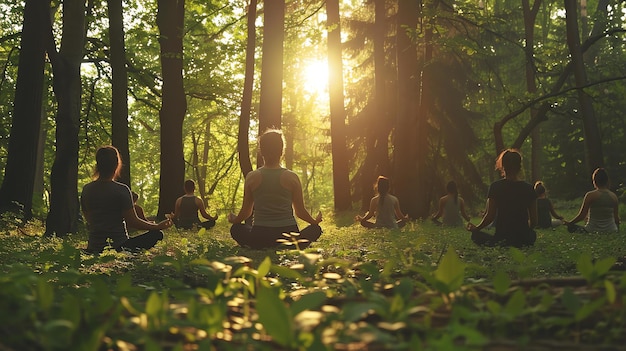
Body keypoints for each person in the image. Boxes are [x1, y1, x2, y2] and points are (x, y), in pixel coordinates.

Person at [227, 129, 322, 249]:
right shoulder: (292, 177)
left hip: (260, 235)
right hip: (288, 235)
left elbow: (247, 212)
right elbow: (300, 212)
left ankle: (259, 245)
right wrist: (314, 222)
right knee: (315, 230)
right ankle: (290, 246)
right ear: (281, 151)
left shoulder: (252, 177)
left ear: (261, 151)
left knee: (236, 229)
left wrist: (235, 220)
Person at [80, 145, 172, 254]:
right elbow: (133, 221)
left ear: (98, 165)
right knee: (157, 234)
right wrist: (157, 226)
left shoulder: (87, 189)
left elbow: (89, 220)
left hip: (94, 246)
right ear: (116, 165)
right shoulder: (121, 190)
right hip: (120, 247)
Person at [466, 149, 538, 247]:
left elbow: (490, 216)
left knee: (476, 236)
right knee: (533, 235)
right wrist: (526, 231)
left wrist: (476, 229)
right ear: (520, 166)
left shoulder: (496, 187)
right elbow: (534, 220)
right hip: (523, 239)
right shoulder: (529, 188)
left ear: (503, 167)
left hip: (502, 238)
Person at [564, 168, 620, 233]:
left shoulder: (590, 195)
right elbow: (616, 218)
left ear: (594, 181)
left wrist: (570, 223)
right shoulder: (614, 196)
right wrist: (617, 230)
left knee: (571, 228)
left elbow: (582, 216)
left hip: (592, 230)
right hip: (612, 230)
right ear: (607, 181)